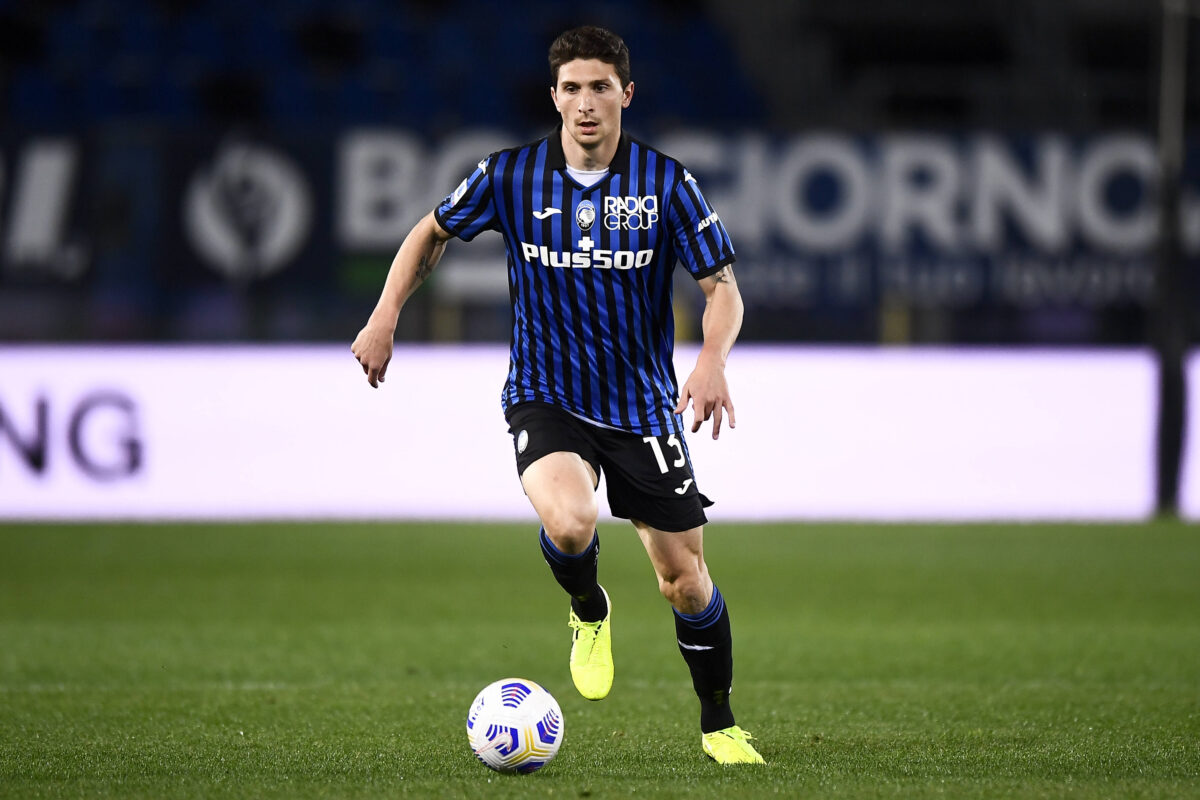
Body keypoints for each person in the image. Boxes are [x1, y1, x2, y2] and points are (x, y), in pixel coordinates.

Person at [351, 25, 763, 765]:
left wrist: (711, 357)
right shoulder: (511, 176)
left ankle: (719, 724)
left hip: (642, 409)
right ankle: (589, 608)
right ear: (554, 97)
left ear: (625, 95)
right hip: (547, 395)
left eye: (600, 87)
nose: (585, 103)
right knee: (572, 525)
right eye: (571, 88)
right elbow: (430, 232)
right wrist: (385, 316)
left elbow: (722, 289)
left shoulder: (667, 184)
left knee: (685, 583)